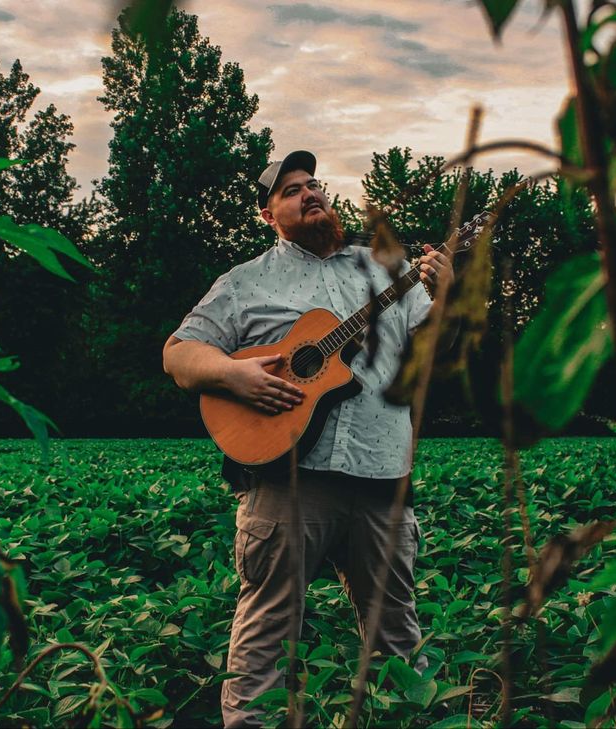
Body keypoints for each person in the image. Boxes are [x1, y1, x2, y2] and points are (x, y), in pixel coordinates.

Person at [162, 150, 453, 727]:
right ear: (269, 214)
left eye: (314, 184)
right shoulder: (245, 282)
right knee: (267, 635)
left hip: (381, 478)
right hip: (287, 476)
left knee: (396, 634)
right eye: (292, 190)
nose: (309, 193)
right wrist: (231, 373)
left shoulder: (385, 268)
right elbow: (178, 353)